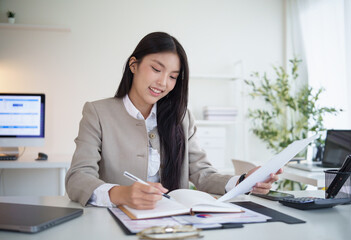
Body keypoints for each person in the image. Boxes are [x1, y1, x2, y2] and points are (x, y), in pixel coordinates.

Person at [65, 32, 282, 209]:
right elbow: (78, 177)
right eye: (156, 69)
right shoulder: (97, 112)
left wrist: (244, 181)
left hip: (174, 224)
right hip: (115, 222)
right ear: (134, 65)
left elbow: (202, 174)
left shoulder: (182, 117)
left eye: (172, 76)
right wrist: (120, 193)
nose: (163, 82)